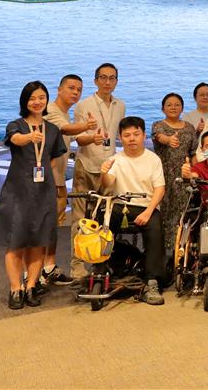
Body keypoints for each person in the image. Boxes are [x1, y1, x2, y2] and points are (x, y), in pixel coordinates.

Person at [0, 82, 67, 309]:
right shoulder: (16, 125)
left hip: (43, 191)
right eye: (32, 98)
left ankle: (31, 285)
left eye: (42, 97)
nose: (37, 102)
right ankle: (15, 288)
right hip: (18, 190)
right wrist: (28, 139)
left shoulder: (52, 130)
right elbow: (15, 139)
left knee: (39, 241)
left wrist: (41, 166)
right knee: (16, 242)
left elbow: (53, 158)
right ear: (25, 101)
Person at [99, 116, 166, 305]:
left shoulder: (153, 159)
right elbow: (108, 184)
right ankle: (100, 270)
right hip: (121, 207)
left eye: (136, 134)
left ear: (144, 135)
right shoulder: (115, 159)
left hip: (146, 206)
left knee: (155, 228)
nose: (132, 138)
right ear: (120, 138)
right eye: (127, 135)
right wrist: (104, 172)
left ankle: (152, 281)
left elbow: (160, 189)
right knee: (99, 223)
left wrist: (148, 212)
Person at [68, 63, 125, 284]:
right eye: (103, 77)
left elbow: (117, 136)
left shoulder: (120, 105)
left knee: (106, 218)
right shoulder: (84, 105)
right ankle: (77, 266)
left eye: (112, 78)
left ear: (116, 81)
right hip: (87, 164)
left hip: (109, 167)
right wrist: (92, 138)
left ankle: (102, 261)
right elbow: (77, 138)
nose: (107, 82)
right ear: (95, 80)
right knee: (80, 219)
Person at [39, 73, 92, 288]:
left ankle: (49, 268)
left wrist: (92, 137)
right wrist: (86, 125)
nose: (75, 92)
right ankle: (35, 275)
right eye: (71, 88)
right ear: (59, 89)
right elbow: (65, 130)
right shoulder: (51, 111)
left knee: (52, 227)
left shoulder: (65, 114)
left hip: (58, 181)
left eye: (79, 90)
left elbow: (75, 137)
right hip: (46, 181)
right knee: (43, 227)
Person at [152, 93, 198, 252]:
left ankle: (181, 250)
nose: (173, 107)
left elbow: (194, 153)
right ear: (163, 108)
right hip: (163, 176)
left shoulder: (189, 128)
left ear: (182, 108)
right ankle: (161, 251)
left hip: (184, 176)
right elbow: (159, 137)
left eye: (177, 104)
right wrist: (169, 140)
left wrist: (195, 173)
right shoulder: (158, 125)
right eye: (169, 104)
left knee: (182, 213)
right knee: (163, 213)